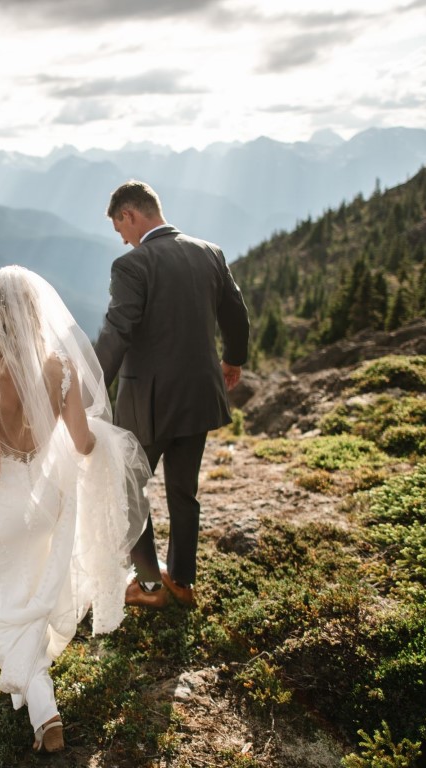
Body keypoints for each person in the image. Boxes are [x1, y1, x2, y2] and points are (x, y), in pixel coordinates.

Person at [0, 265, 151, 754]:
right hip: (46, 504)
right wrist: (105, 448)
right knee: (32, 597)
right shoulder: (61, 368)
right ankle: (41, 706)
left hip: (0, 512)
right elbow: (83, 443)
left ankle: (44, 709)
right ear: (33, 311)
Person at [94, 180, 250, 610]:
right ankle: (182, 582)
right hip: (199, 395)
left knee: (128, 488)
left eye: (120, 229)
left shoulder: (132, 265)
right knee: (184, 492)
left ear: (128, 214)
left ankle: (149, 587)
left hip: (149, 404)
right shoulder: (209, 252)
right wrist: (233, 359)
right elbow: (236, 313)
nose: (123, 239)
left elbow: (117, 332)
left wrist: (92, 386)